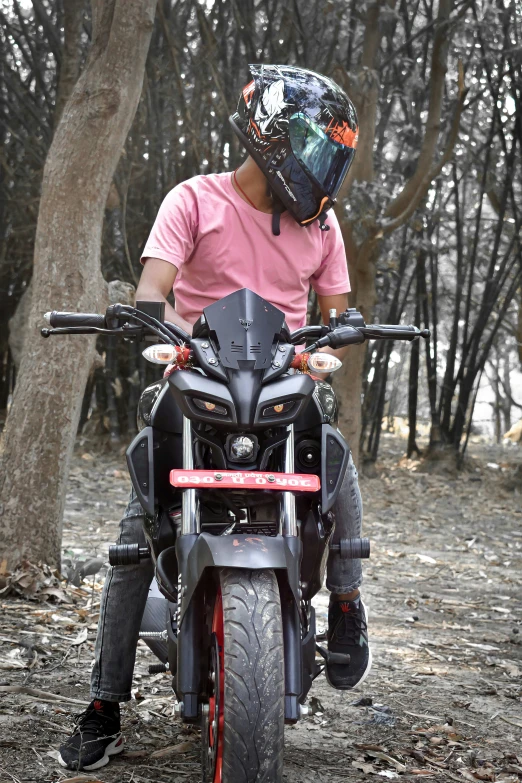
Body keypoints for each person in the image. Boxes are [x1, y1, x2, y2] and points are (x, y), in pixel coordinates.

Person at [59, 64, 371, 773]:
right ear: (271, 135)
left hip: (282, 392)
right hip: (195, 382)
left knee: (339, 459)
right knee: (136, 536)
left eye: (333, 155)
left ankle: (347, 600)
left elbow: (336, 314)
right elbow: (153, 289)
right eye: (317, 148)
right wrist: (170, 332)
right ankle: (104, 702)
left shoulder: (321, 224)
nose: (326, 169)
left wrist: (337, 335)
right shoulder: (193, 201)